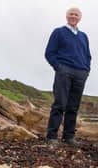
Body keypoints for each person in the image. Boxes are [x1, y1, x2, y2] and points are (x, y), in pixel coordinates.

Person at [45, 7, 91, 146]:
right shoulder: (58, 32)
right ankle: (51, 137)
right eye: (71, 14)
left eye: (76, 14)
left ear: (79, 18)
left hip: (80, 73)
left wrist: (86, 70)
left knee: (73, 106)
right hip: (64, 70)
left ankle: (68, 137)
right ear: (67, 16)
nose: (73, 16)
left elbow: (88, 55)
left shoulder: (83, 36)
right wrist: (59, 68)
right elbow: (49, 53)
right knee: (60, 104)